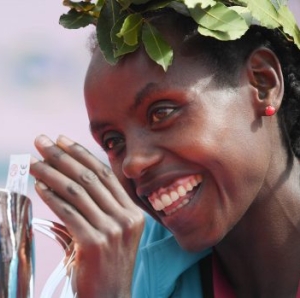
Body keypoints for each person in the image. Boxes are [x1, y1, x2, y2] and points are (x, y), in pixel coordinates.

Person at [29, 0, 300, 297]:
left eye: (161, 113)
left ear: (262, 83)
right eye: (113, 141)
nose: (132, 164)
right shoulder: (120, 269)